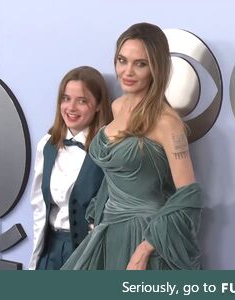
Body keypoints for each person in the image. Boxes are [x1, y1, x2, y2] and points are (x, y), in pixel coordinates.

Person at [62, 23, 203, 270]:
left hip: (147, 238)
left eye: (140, 63)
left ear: (156, 69)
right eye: (122, 60)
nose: (127, 71)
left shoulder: (167, 123)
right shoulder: (117, 106)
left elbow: (188, 195)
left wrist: (145, 248)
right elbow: (114, 172)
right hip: (110, 231)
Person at [29, 66, 112, 270]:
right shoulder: (46, 145)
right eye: (66, 98)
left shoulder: (109, 148)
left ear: (99, 105)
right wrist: (34, 262)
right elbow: (40, 208)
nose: (71, 107)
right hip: (50, 250)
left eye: (82, 101)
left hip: (87, 251)